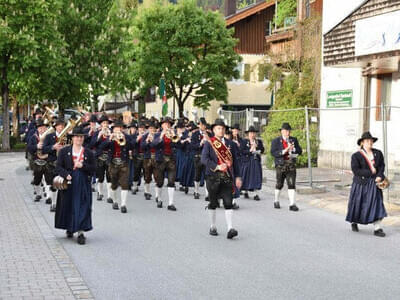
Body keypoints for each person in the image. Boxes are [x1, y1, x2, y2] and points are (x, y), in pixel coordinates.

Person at [201, 118, 242, 239]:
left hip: (227, 178)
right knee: (213, 203)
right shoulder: (209, 143)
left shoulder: (231, 144)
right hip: (213, 177)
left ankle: (230, 228)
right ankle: (213, 226)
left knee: (228, 203)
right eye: (219, 128)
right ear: (214, 130)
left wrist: (238, 176)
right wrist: (217, 166)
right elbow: (204, 159)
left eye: (223, 128)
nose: (221, 130)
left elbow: (236, 162)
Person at [55, 126, 96, 245]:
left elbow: (94, 168)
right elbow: (58, 167)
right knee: (68, 205)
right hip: (68, 184)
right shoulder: (64, 151)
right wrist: (66, 174)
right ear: (72, 138)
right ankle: (69, 227)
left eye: (81, 137)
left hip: (83, 183)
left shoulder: (88, 152)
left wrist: (82, 166)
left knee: (83, 206)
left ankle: (81, 232)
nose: (79, 139)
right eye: (77, 137)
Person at [346, 132, 387, 237]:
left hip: (375, 183)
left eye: (371, 140)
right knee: (358, 204)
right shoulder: (356, 156)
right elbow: (356, 170)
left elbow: (382, 166)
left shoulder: (378, 153)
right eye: (368, 141)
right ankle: (354, 221)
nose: (370, 142)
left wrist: (380, 176)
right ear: (362, 143)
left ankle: (377, 228)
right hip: (361, 184)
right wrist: (370, 173)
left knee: (377, 204)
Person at [103, 119, 134, 213]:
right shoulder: (109, 137)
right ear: (114, 129)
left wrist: (125, 139)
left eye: (120, 128)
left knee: (125, 184)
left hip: (124, 163)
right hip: (113, 163)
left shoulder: (127, 137)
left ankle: (123, 204)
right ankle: (115, 201)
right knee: (114, 184)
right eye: (117, 128)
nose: (119, 130)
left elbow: (133, 146)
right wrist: (109, 139)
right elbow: (102, 147)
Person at [270, 123, 302, 211]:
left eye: (289, 131)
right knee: (279, 184)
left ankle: (292, 204)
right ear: (282, 131)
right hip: (280, 165)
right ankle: (276, 200)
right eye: (286, 131)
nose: (287, 133)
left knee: (291, 184)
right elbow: (273, 152)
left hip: (291, 164)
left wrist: (294, 150)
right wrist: (285, 150)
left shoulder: (293, 140)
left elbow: (300, 150)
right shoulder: (276, 141)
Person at [151, 117, 179, 210]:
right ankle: (159, 198)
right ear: (162, 125)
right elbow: (153, 145)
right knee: (160, 182)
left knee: (171, 182)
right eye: (165, 124)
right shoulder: (157, 134)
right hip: (160, 160)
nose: (167, 125)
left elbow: (179, 145)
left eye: (168, 124)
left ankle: (171, 203)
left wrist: (175, 136)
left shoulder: (173, 134)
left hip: (171, 159)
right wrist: (161, 136)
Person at [42, 118, 66, 211]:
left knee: (62, 184)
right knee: (53, 185)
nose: (61, 128)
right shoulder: (49, 136)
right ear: (56, 127)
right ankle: (54, 203)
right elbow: (44, 149)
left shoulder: (66, 137)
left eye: (63, 126)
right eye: (59, 126)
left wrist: (64, 148)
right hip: (52, 163)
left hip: (62, 164)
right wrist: (53, 147)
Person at [90, 114, 113, 202]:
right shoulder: (97, 133)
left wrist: (111, 136)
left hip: (109, 156)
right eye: (103, 123)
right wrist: (99, 136)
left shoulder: (111, 132)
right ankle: (100, 193)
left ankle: (109, 196)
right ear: (101, 124)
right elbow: (92, 144)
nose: (105, 125)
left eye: (107, 123)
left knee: (109, 176)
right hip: (99, 156)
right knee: (100, 176)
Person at [27, 119, 51, 202]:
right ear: (37, 129)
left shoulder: (49, 137)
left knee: (48, 179)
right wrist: (36, 146)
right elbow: (29, 148)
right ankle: (38, 194)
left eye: (44, 128)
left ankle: (48, 197)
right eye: (40, 128)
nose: (42, 129)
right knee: (37, 179)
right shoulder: (33, 137)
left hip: (47, 160)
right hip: (37, 160)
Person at [240, 126, 264, 201]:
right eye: (251, 133)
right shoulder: (244, 141)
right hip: (247, 161)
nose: (252, 134)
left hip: (256, 161)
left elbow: (262, 150)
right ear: (248, 134)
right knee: (246, 177)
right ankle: (245, 191)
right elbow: (242, 151)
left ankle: (256, 194)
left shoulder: (258, 141)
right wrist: (250, 150)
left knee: (256, 177)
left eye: (254, 133)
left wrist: (257, 148)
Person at [191, 118, 208, 199]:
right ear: (199, 125)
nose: (203, 126)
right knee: (197, 175)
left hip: (206, 157)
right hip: (198, 157)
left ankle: (207, 193)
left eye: (204, 125)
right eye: (201, 125)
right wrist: (201, 143)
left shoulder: (209, 134)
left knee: (207, 175)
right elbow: (192, 146)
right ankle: (196, 191)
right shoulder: (195, 134)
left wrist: (207, 140)